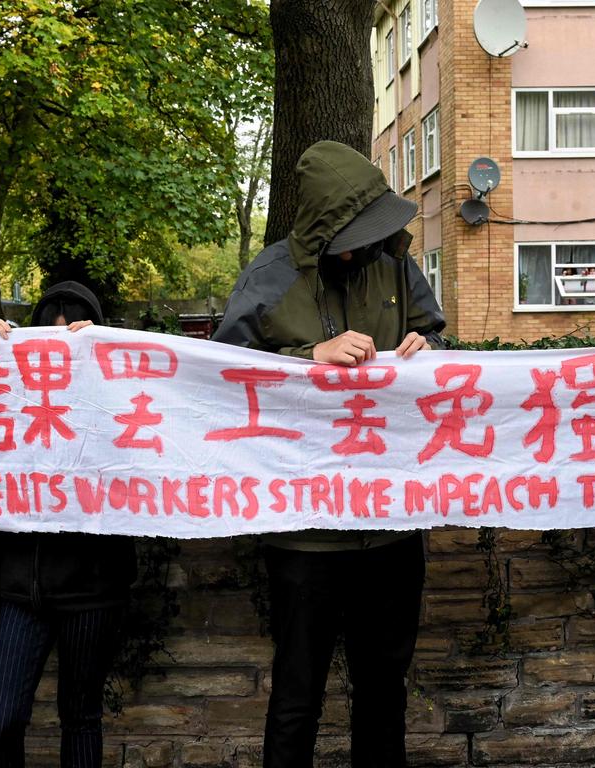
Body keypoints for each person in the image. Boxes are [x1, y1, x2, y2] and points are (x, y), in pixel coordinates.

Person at [213, 140, 446, 768]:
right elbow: (222, 379)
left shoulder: (396, 265)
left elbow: (443, 352)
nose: (367, 244)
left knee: (384, 693)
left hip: (392, 527)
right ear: (321, 227)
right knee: (297, 696)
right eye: (354, 234)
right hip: (305, 537)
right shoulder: (267, 277)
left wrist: (430, 349)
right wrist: (305, 359)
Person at [0, 281, 137, 768]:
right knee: (2, 719)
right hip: (21, 587)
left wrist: (111, 351)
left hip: (93, 587)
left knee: (81, 716)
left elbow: (146, 440)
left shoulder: (118, 385)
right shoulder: (14, 383)